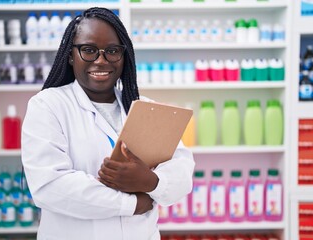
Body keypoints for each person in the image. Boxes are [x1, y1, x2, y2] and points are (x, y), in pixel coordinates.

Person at [21, 7, 195, 240]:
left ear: (124, 56)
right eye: (89, 50)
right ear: (71, 55)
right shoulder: (48, 106)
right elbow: (51, 187)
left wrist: (151, 181)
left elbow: (182, 173)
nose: (101, 60)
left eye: (112, 51)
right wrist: (132, 204)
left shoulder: (146, 108)